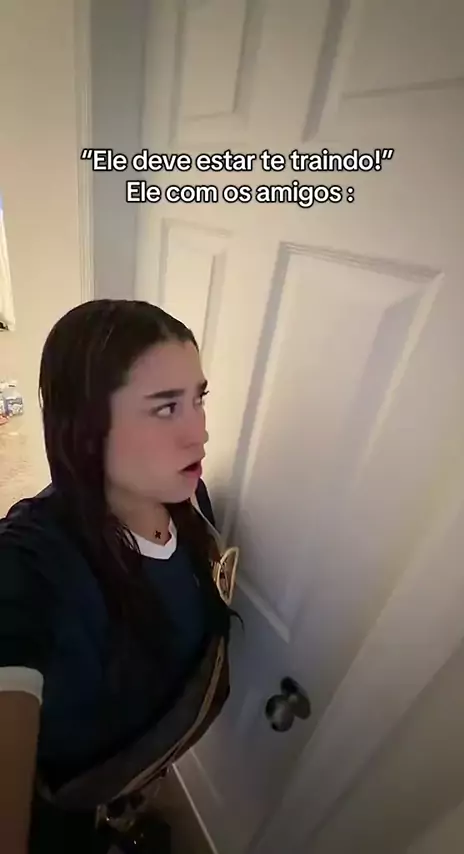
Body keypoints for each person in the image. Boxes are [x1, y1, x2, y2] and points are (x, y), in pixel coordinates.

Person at [0, 299, 240, 853]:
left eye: (198, 399)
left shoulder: (191, 500)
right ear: (88, 428)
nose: (200, 434)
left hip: (135, 773)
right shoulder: (29, 563)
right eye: (166, 407)